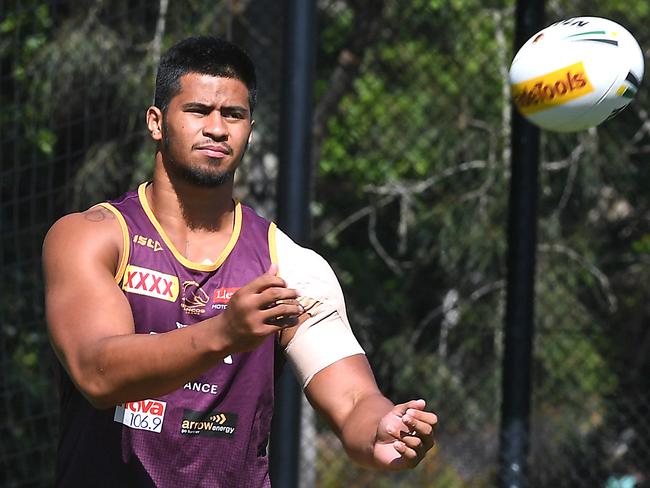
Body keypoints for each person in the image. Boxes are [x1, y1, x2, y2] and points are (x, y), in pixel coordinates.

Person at [43, 36, 438, 487]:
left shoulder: (288, 265)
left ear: (250, 127)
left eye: (233, 114)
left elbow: (352, 399)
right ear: (156, 122)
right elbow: (98, 372)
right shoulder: (93, 236)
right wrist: (224, 332)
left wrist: (381, 430)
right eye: (197, 111)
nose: (216, 128)